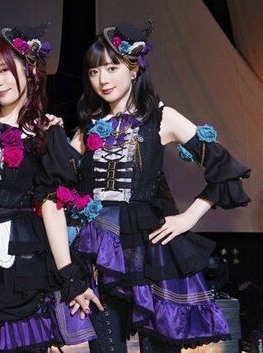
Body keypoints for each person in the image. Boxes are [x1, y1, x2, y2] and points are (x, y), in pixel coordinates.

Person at [70, 20, 251, 352]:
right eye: (94, 71)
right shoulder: (88, 127)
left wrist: (188, 218)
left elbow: (226, 168)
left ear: (134, 69)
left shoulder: (161, 117)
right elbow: (59, 185)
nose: (103, 79)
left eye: (111, 68)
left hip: (150, 249)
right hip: (100, 253)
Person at [0, 25, 101, 353]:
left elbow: (52, 206)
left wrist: (70, 276)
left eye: (4, 70)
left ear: (29, 70)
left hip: (21, 256)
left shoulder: (44, 131)